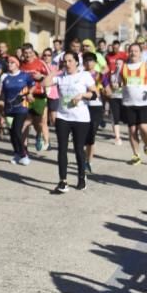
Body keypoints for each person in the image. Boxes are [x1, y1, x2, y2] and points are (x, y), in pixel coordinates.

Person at [53, 50, 99, 193]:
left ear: (77, 62)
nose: (67, 64)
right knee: (62, 148)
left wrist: (82, 95)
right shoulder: (60, 77)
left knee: (78, 149)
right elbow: (44, 83)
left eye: (70, 61)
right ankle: (63, 181)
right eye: (65, 61)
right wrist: (55, 71)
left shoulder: (84, 75)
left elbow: (95, 94)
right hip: (63, 116)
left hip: (80, 118)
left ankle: (81, 177)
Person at [118, 43, 147, 165]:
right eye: (131, 51)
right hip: (129, 103)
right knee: (132, 130)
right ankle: (136, 155)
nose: (133, 53)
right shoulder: (123, 67)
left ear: (140, 53)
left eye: (136, 51)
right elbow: (119, 83)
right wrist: (115, 85)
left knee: (144, 128)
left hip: (144, 103)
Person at [0, 55, 34, 166]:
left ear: (17, 64)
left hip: (22, 108)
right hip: (9, 109)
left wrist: (30, 93)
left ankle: (23, 154)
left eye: (12, 63)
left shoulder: (25, 75)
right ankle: (17, 153)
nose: (9, 64)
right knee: (12, 133)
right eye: (8, 63)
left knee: (17, 131)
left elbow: (33, 85)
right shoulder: (4, 76)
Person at [19, 44, 50, 153]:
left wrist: (41, 77)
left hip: (39, 96)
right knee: (25, 122)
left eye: (30, 52)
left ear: (33, 52)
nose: (28, 55)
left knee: (38, 122)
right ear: (23, 53)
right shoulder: (21, 65)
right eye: (25, 53)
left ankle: (38, 135)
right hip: (26, 96)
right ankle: (24, 148)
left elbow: (51, 77)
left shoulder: (40, 63)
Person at [82, 52, 105, 174]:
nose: (88, 63)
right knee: (82, 135)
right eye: (86, 60)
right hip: (82, 107)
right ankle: (83, 158)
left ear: (95, 62)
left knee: (91, 135)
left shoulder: (100, 76)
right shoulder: (79, 75)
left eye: (91, 60)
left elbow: (108, 89)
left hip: (96, 107)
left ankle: (88, 161)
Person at [104, 53, 125, 145]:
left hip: (124, 98)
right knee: (115, 117)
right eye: (116, 64)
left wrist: (120, 85)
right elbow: (107, 82)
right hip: (114, 97)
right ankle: (117, 137)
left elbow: (129, 83)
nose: (117, 65)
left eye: (119, 64)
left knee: (126, 118)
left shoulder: (126, 73)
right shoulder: (112, 74)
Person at [42, 47, 60, 132]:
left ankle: (61, 134)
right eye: (44, 55)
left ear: (52, 57)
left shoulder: (55, 67)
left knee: (53, 118)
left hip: (53, 94)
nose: (46, 57)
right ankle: (44, 139)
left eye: (48, 55)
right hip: (41, 95)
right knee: (43, 119)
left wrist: (45, 65)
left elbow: (53, 78)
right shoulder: (39, 67)